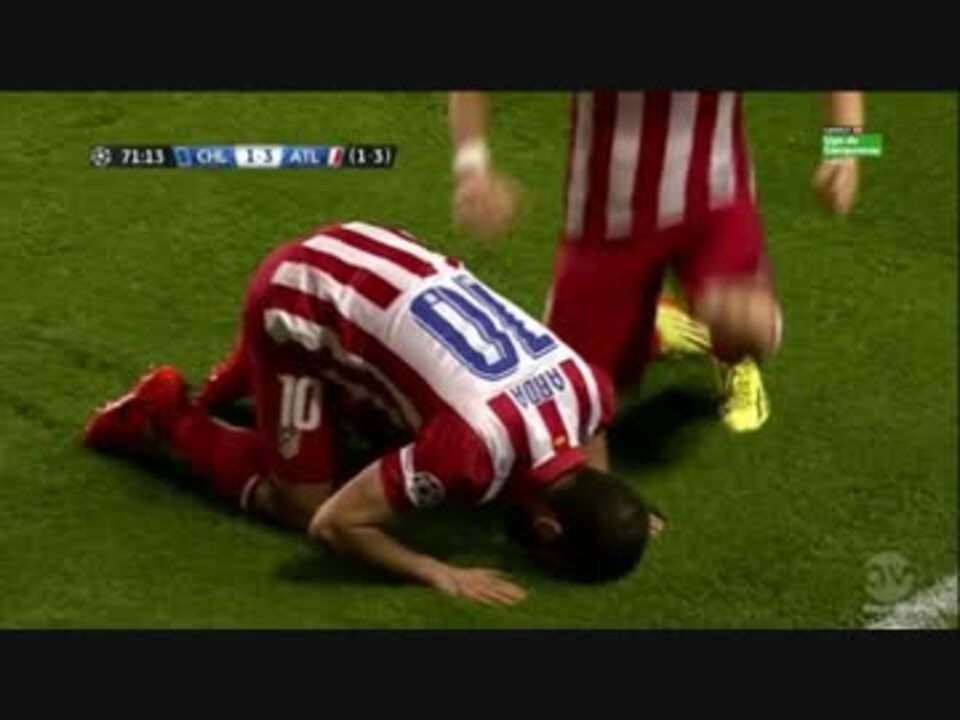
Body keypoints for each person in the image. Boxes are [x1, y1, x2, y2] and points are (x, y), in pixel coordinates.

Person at [85, 221, 662, 606]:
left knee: (396, 416)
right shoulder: (470, 450)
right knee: (299, 503)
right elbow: (333, 523)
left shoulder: (588, 389)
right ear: (547, 528)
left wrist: (615, 514)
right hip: (296, 295)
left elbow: (592, 445)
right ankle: (161, 415)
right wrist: (439, 572)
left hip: (379, 249)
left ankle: (259, 377)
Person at [449, 91, 865, 432]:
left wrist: (846, 154)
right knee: (572, 404)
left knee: (747, 329)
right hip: (606, 226)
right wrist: (472, 167)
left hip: (715, 207)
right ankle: (652, 324)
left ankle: (728, 352)